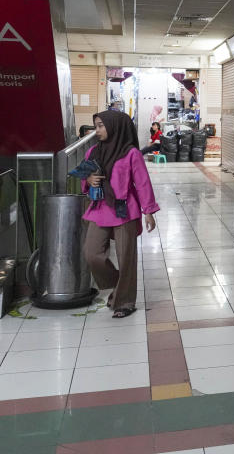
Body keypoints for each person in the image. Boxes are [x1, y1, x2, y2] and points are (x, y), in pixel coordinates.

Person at [82, 110, 159, 318]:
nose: (97, 130)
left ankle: (124, 301)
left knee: (126, 258)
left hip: (124, 210)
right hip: (100, 208)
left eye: (100, 126)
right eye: (96, 126)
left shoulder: (131, 153)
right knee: (92, 254)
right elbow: (84, 176)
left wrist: (149, 211)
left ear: (115, 127)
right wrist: (88, 180)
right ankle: (120, 284)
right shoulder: (93, 153)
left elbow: (142, 183)